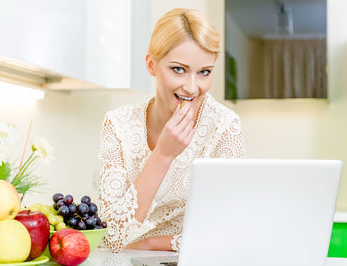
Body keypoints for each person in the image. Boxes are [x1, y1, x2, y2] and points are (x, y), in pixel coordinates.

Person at [98, 8, 244, 253]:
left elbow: (228, 231)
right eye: (178, 69)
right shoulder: (118, 124)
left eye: (204, 72)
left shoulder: (224, 126)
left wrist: (153, 243)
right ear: (151, 65)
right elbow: (111, 236)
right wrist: (163, 155)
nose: (191, 87)